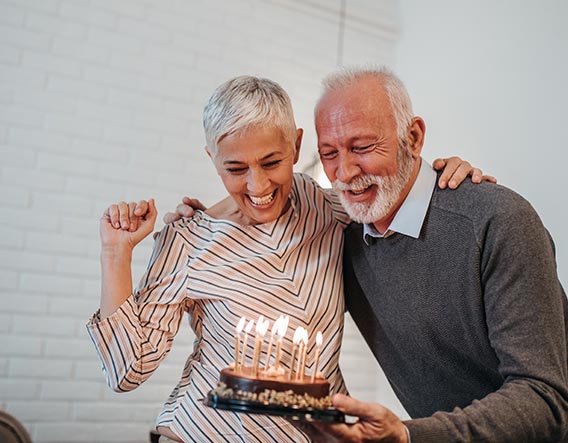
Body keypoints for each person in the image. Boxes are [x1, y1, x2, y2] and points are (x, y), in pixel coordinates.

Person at [176, 67, 568, 442]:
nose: (345, 172)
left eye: (363, 147)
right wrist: (198, 219)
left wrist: (409, 436)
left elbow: (543, 398)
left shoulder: (496, 220)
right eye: (329, 154)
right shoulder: (342, 238)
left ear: (414, 136)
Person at [87, 75, 488, 443]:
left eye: (271, 162)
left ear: (296, 146)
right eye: (235, 168)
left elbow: (391, 200)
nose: (257, 185)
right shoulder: (189, 239)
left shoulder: (324, 206)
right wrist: (115, 254)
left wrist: (443, 181)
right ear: (211, 157)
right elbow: (127, 371)